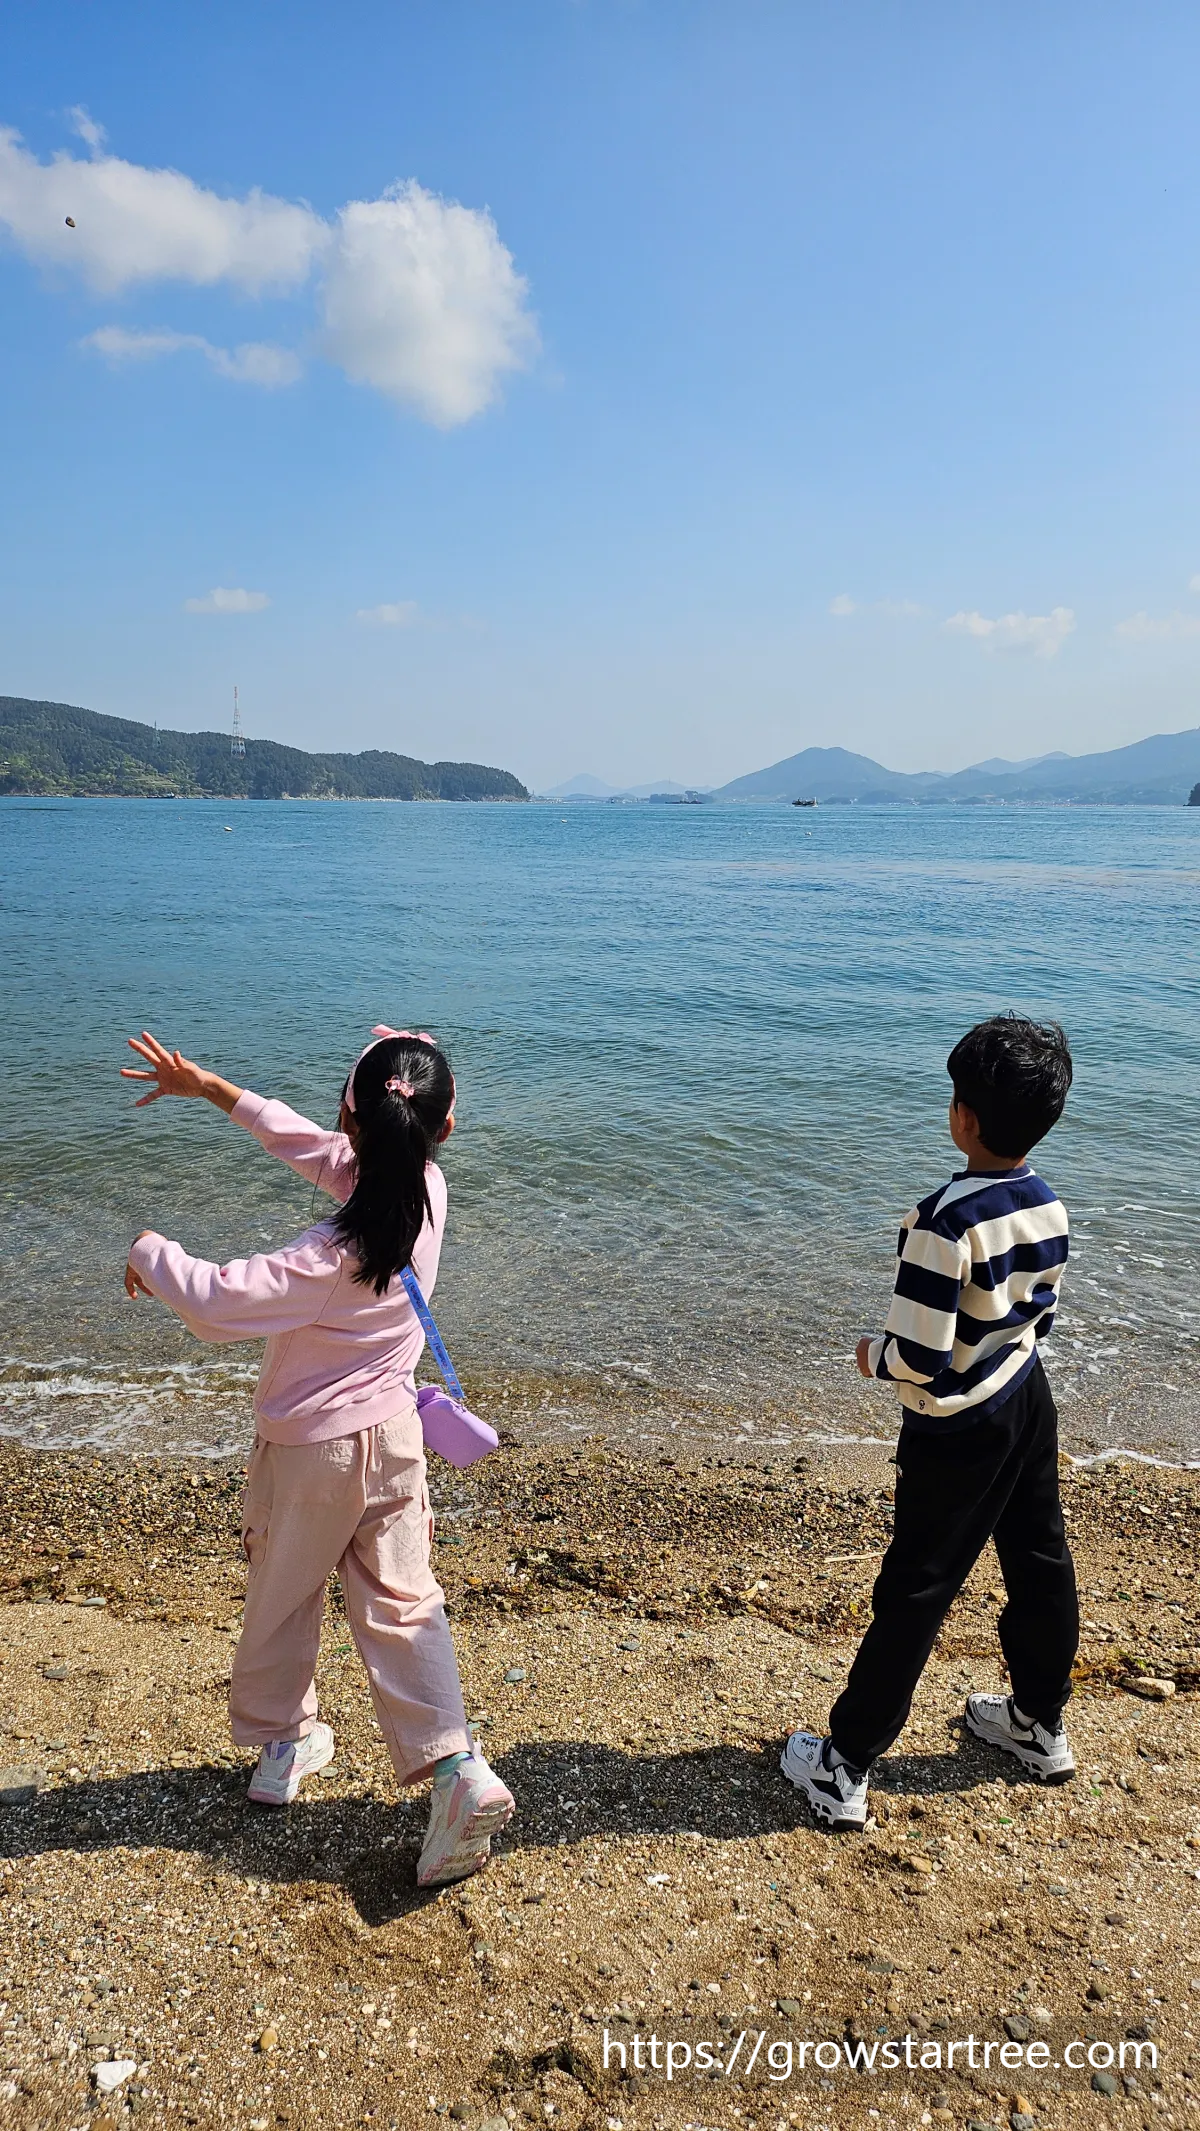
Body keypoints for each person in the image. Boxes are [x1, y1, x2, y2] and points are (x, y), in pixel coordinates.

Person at [120, 1024, 514, 1887]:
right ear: (441, 1129)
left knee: (283, 1588)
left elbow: (218, 1302)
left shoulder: (326, 1255)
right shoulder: (430, 1193)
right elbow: (315, 1141)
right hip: (396, 1444)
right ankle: (458, 1772)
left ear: (353, 1117)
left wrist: (151, 1252)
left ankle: (284, 1744)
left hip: (312, 1456)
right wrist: (215, 1088)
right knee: (407, 1605)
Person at [782, 1014, 1077, 1831]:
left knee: (916, 1586)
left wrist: (871, 1355)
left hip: (957, 1428)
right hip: (1026, 1396)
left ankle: (845, 1764)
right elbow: (1036, 1314)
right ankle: (1039, 1721)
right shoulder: (1048, 1205)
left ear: (965, 1119)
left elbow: (921, 1355)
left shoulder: (943, 1222)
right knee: (1039, 1552)